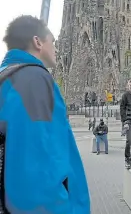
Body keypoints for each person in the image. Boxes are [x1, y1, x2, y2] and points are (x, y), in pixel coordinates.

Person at [0, 16, 90, 213]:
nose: (56, 47)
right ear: (37, 41)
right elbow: (40, 171)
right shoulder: (34, 80)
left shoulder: (5, 79)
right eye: (53, 41)